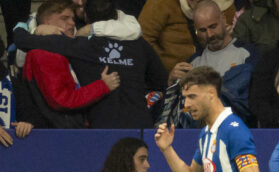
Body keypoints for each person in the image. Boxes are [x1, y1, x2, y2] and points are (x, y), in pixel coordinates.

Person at [13, 0, 168, 130]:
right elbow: (160, 81)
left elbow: (22, 40)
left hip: (101, 128)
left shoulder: (78, 45)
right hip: (140, 125)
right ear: (116, 16)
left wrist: (27, 24)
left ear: (86, 17)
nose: (72, 23)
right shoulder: (139, 44)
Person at [22, 0, 120, 129]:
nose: (72, 23)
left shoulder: (66, 49)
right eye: (64, 18)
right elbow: (61, 100)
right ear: (47, 23)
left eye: (73, 19)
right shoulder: (43, 54)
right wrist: (102, 86)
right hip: (61, 133)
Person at [161, 0, 257, 128]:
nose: (210, 34)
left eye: (213, 26)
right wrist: (171, 83)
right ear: (195, 31)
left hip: (236, 126)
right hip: (198, 130)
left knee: (243, 73)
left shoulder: (248, 53)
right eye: (202, 30)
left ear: (223, 19)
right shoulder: (192, 63)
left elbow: (252, 103)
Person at [139, 0, 237, 73]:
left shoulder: (225, 5)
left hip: (216, 72)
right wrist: (165, 69)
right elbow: (143, 39)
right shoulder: (161, 3)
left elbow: (233, 40)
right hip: (171, 75)